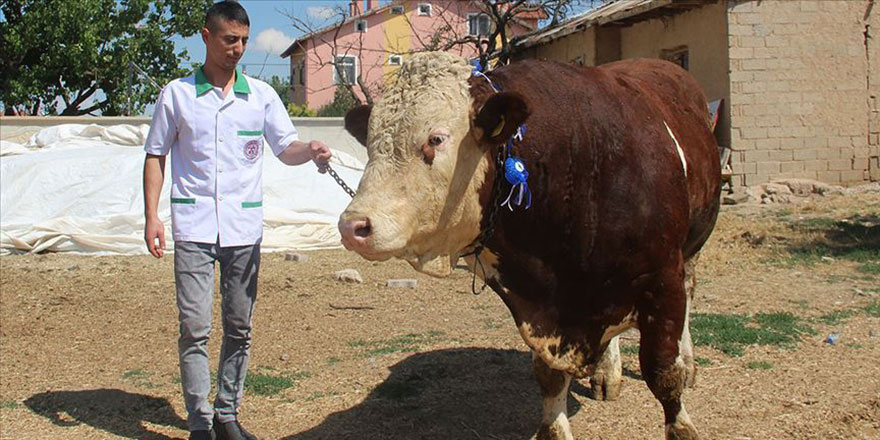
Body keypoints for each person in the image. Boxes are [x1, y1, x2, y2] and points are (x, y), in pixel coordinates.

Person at [142, 2, 332, 439]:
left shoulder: (261, 96)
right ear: (206, 37)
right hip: (193, 228)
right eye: (230, 40)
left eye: (244, 40)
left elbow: (286, 148)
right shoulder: (177, 95)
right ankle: (199, 424)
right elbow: (156, 156)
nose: (238, 49)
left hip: (243, 231)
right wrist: (152, 216)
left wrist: (313, 151)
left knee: (240, 326)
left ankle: (227, 414)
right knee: (194, 328)